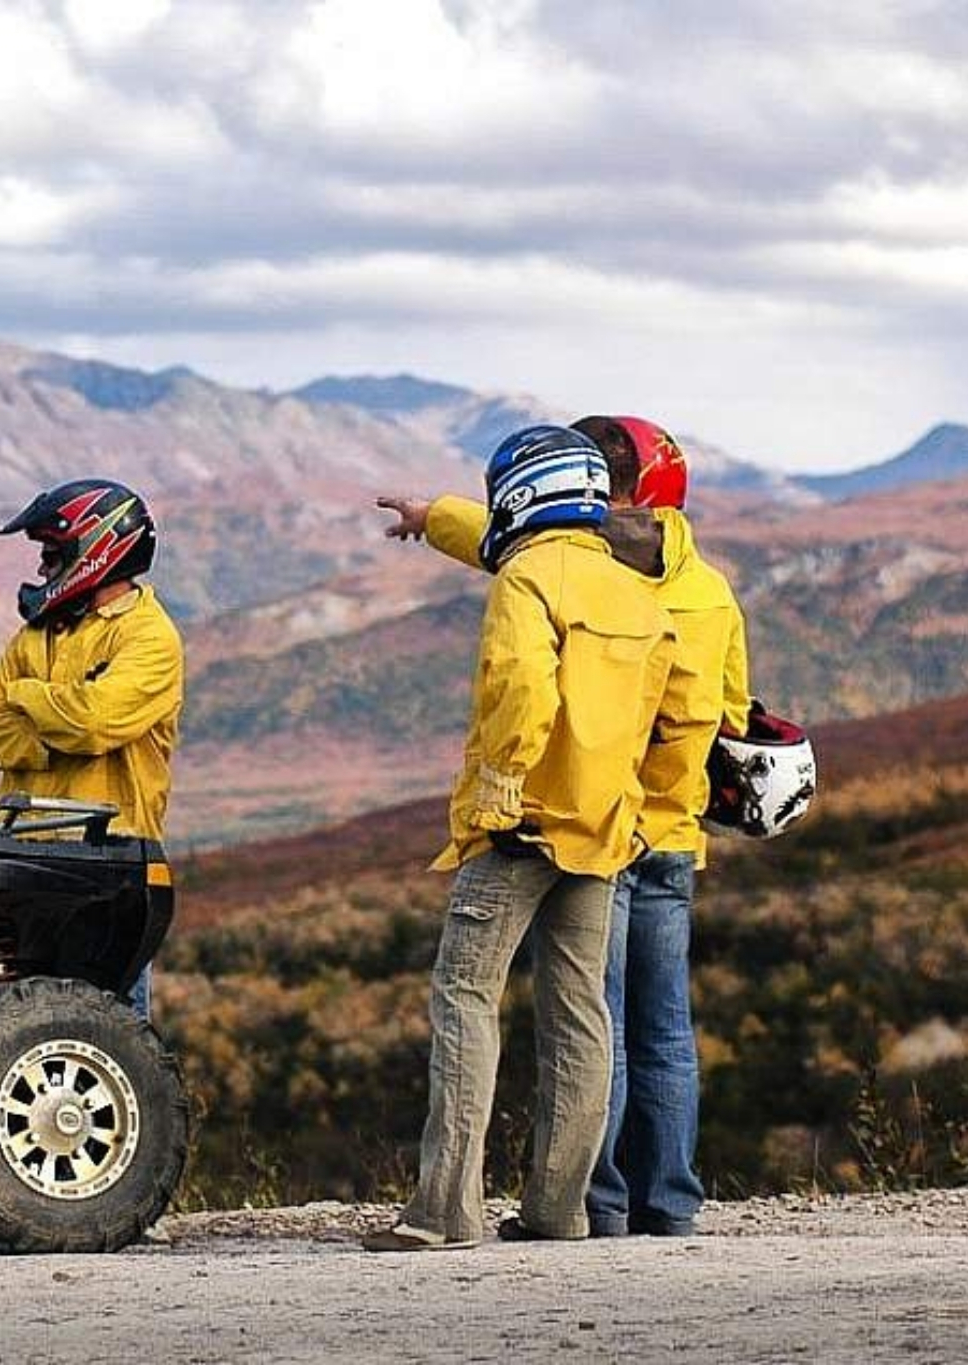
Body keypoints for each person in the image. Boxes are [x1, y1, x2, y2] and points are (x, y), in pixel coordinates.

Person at [378, 415, 747, 1237]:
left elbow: (520, 687)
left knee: (466, 995)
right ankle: (561, 1210)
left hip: (525, 824)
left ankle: (447, 1208)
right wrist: (639, 800)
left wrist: (502, 789)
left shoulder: (529, 576)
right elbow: (690, 712)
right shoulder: (642, 583)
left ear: (521, 491)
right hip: (612, 830)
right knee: (586, 1014)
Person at [0, 478, 184, 1017]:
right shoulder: (37, 635)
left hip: (107, 868)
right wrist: (52, 737)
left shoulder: (150, 637)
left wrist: (23, 696)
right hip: (22, 860)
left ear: (95, 550)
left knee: (105, 1035)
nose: (42, 569)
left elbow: (95, 722)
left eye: (52, 554)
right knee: (5, 1030)